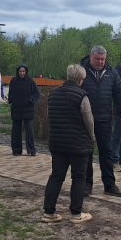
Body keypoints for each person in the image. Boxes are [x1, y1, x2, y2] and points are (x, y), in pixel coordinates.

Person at [41, 64, 95, 224]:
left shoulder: (53, 93)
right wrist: (92, 138)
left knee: (56, 176)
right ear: (81, 80)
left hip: (58, 142)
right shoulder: (82, 95)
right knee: (79, 177)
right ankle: (76, 214)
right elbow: (88, 120)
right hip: (78, 143)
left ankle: (48, 213)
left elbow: (50, 115)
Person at [79, 45, 121, 197]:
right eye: (97, 59)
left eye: (103, 59)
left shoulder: (112, 73)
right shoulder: (81, 72)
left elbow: (119, 94)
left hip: (104, 119)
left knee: (106, 152)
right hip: (85, 119)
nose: (100, 62)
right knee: (86, 152)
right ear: (90, 57)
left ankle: (109, 184)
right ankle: (87, 184)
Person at [8, 63, 41, 156]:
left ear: (26, 72)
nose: (22, 73)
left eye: (23, 71)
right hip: (16, 108)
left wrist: (31, 100)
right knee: (16, 130)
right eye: (20, 71)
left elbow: (37, 93)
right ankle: (16, 150)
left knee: (29, 130)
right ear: (17, 72)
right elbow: (11, 92)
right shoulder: (13, 81)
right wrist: (11, 99)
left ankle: (31, 149)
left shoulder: (30, 81)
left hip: (28, 109)